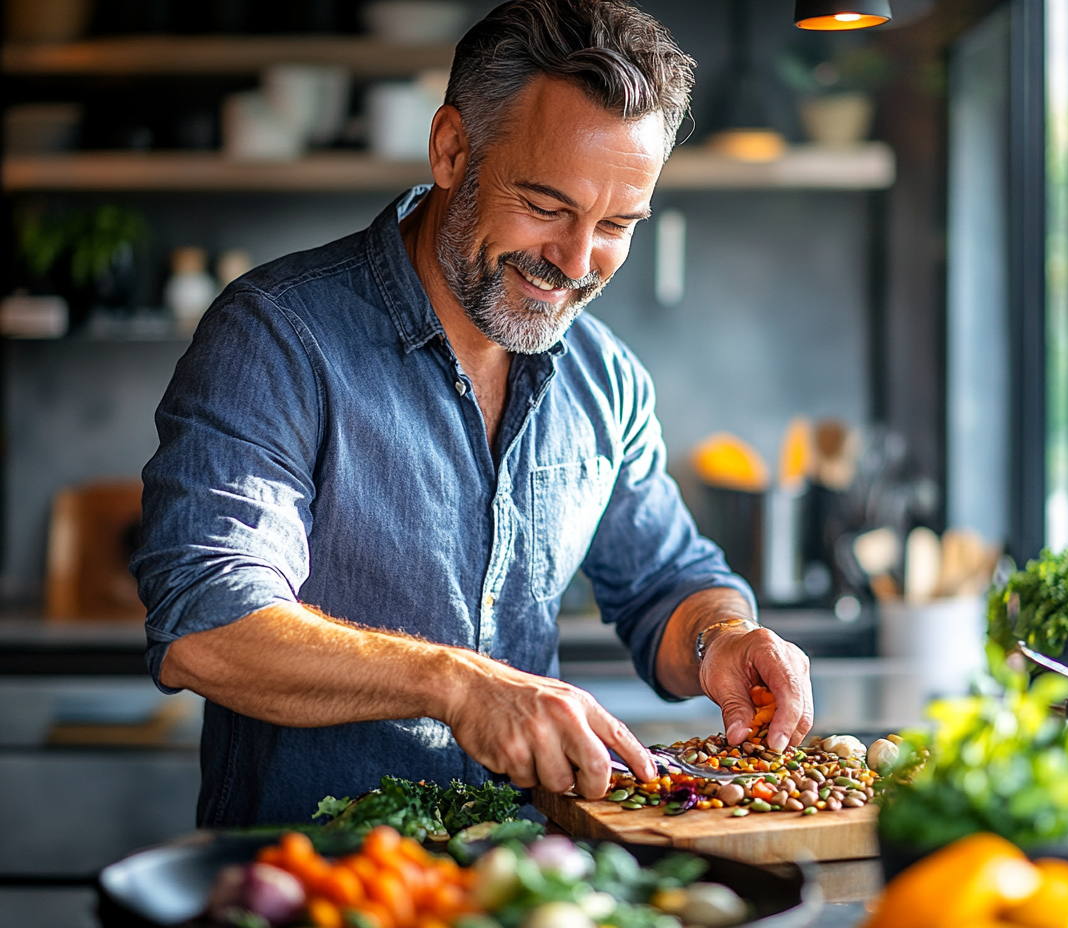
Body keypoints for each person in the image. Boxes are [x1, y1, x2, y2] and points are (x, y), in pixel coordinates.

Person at [133, 0, 813, 827]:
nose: (576, 260)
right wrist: (458, 684)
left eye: (615, 224)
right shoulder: (278, 337)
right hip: (318, 876)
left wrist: (723, 637)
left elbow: (667, 585)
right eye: (547, 207)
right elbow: (207, 621)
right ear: (452, 149)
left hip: (526, 877)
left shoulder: (606, 379)